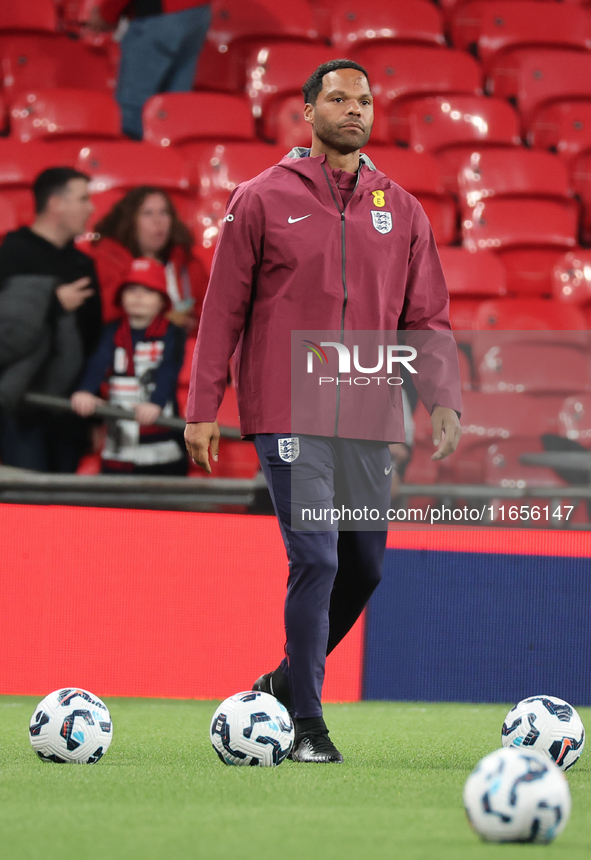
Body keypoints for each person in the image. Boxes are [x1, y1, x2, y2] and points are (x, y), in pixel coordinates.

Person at [184, 60, 463, 763]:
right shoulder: (260, 198)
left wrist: (443, 399)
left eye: (363, 99)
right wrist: (202, 406)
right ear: (306, 111)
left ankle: (280, 683)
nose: (353, 109)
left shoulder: (399, 208)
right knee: (315, 556)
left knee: (363, 565)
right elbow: (222, 311)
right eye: (337, 98)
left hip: (367, 413)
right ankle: (306, 722)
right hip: (287, 407)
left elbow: (426, 317)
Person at [0, 167, 102, 472]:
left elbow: (92, 341)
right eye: (83, 198)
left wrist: (93, 412)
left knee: (64, 511)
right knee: (29, 504)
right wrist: (52, 304)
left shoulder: (82, 262)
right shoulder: (12, 254)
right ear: (56, 204)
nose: (91, 207)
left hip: (70, 412)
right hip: (22, 408)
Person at [71, 257, 187, 475]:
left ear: (162, 301)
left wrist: (155, 404)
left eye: (148, 291)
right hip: (120, 439)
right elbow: (97, 363)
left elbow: (168, 369)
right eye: (131, 289)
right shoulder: (111, 331)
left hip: (161, 436)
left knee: (165, 497)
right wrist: (85, 391)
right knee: (117, 501)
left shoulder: (172, 333)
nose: (138, 296)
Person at [84, 186, 208, 332]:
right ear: (129, 221)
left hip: (181, 349)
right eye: (147, 213)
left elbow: (213, 316)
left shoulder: (188, 263)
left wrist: (192, 325)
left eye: (164, 212)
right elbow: (99, 316)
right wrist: (157, 321)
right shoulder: (108, 261)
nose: (158, 221)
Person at [86, 1, 211, 140]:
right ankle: (169, 159)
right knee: (174, 104)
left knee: (133, 106)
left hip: (161, 12)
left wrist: (106, 15)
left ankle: (132, 157)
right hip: (197, 11)